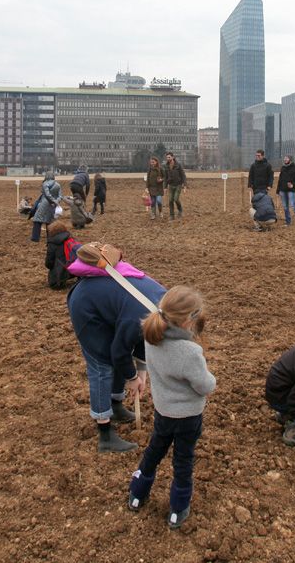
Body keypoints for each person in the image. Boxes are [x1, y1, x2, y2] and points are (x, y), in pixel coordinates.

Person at [127, 287, 216, 530]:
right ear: (190, 319)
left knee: (155, 450)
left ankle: (137, 494)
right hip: (188, 417)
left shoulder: (150, 336)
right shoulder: (190, 352)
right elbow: (204, 385)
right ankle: (178, 508)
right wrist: (212, 381)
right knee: (183, 460)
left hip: (163, 411)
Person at [65, 254, 165, 453]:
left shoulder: (162, 303)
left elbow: (142, 338)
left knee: (121, 354)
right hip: (86, 308)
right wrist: (132, 376)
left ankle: (116, 404)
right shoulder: (138, 316)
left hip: (110, 307)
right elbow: (119, 352)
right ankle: (105, 432)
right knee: (101, 364)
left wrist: (141, 373)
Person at [45, 221, 81, 289]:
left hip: (62, 271)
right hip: (75, 268)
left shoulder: (52, 243)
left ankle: (59, 281)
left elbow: (49, 262)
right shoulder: (70, 238)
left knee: (53, 285)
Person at [30, 172, 62, 242]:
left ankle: (35, 238)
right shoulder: (58, 184)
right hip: (52, 205)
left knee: (37, 219)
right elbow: (60, 196)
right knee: (49, 221)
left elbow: (47, 195)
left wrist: (53, 201)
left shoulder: (45, 183)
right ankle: (50, 238)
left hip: (44, 203)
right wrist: (56, 202)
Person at [277, 155, 295, 227]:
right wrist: (278, 190)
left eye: (286, 158)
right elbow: (280, 179)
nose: (285, 159)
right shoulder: (283, 168)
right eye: (284, 158)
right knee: (285, 207)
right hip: (282, 190)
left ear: (290, 160)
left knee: (293, 206)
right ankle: (288, 222)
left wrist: (293, 184)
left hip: (291, 190)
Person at [162, 153, 186, 219]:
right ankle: (172, 215)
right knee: (170, 200)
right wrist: (165, 187)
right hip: (171, 185)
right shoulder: (166, 166)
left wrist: (184, 185)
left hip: (178, 185)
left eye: (169, 157)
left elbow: (183, 175)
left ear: (172, 157)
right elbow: (166, 178)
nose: (168, 159)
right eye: (167, 157)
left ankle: (180, 210)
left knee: (176, 199)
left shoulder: (178, 165)